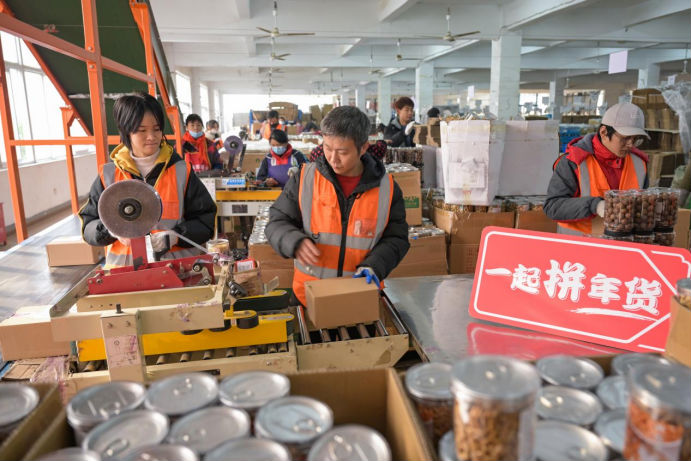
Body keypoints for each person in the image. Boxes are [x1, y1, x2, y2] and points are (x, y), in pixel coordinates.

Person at [265, 106, 410, 306]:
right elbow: (276, 221)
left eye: (342, 152)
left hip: (359, 298)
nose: (333, 159)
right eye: (327, 148)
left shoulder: (387, 189)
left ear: (363, 148)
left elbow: (397, 238)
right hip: (308, 298)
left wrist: (375, 265)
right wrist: (293, 241)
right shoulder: (305, 179)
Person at [79, 92, 216, 267]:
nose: (151, 136)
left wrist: (176, 236)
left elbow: (206, 222)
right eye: (141, 130)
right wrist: (110, 230)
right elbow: (88, 226)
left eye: (157, 129)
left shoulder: (181, 171)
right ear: (126, 131)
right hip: (123, 276)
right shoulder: (109, 175)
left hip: (177, 273)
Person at [545, 102, 649, 235]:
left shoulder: (639, 163)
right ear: (604, 132)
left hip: (624, 243)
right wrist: (595, 205)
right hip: (578, 243)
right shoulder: (573, 161)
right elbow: (553, 207)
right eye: (625, 138)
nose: (630, 145)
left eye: (635, 139)